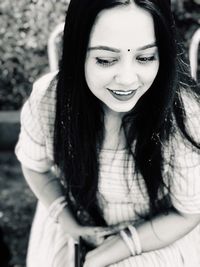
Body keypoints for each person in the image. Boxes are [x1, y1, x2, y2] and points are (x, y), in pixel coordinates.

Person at [15, 0, 200, 266]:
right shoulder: (50, 99)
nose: (127, 78)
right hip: (77, 224)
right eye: (105, 60)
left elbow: (189, 212)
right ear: (78, 52)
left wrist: (118, 248)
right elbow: (35, 167)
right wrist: (69, 223)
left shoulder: (185, 114)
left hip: (158, 235)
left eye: (145, 57)